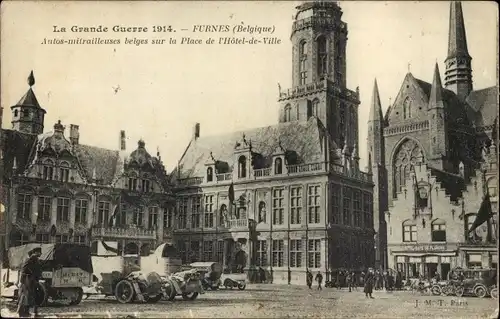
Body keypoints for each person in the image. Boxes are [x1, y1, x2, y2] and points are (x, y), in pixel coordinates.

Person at [17, 247, 42, 318]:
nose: (40, 254)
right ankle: (24, 313)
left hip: (30, 280)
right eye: (39, 252)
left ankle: (26, 313)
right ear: (36, 252)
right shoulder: (31, 258)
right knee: (27, 296)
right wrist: (22, 281)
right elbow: (24, 269)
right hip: (28, 280)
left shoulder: (34, 259)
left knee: (28, 296)